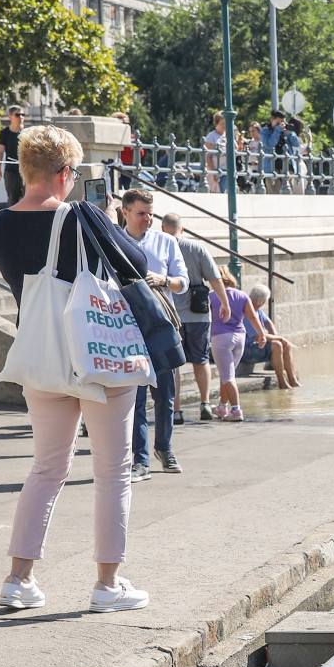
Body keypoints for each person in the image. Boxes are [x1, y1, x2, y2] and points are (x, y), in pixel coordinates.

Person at [0, 125, 152, 613]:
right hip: (97, 352)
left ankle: (19, 579)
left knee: (47, 467)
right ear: (65, 174)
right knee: (113, 470)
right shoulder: (83, 218)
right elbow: (137, 262)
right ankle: (107, 586)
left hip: (42, 355)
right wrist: (108, 220)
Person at [118, 190, 186, 477]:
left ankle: (165, 448)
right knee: (136, 397)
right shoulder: (114, 241)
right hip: (128, 327)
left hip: (161, 325)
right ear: (125, 213)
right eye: (141, 213)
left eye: (150, 214)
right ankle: (140, 459)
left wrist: (164, 280)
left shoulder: (166, 241)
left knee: (166, 394)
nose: (147, 219)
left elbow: (183, 282)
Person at [162, 213, 225, 421]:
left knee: (175, 365)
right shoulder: (197, 248)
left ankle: (176, 410)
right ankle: (205, 404)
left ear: (162, 229)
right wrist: (225, 304)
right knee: (201, 360)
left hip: (171, 315)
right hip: (198, 315)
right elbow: (215, 278)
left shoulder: (160, 245)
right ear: (183, 229)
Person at [208, 271, 267, 422]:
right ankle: (222, 406)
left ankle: (236, 409)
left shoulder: (212, 296)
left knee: (227, 376)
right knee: (228, 373)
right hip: (239, 337)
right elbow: (253, 317)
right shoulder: (242, 295)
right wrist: (262, 335)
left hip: (221, 337)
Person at [242, 284, 302, 388]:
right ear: (263, 302)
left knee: (286, 345)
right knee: (277, 345)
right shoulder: (247, 311)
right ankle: (282, 382)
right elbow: (257, 337)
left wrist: (275, 336)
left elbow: (268, 322)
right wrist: (279, 339)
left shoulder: (258, 310)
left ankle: (293, 380)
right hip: (247, 350)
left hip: (259, 346)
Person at [0, 106, 26, 205]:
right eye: (18, 115)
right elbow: (0, 151)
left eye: (23, 115)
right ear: (10, 117)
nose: (21, 117)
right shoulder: (5, 133)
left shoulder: (28, 132)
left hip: (26, 171)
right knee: (13, 200)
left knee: (28, 199)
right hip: (11, 171)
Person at [203, 112, 226, 193]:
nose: (224, 125)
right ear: (216, 124)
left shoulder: (228, 135)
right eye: (222, 123)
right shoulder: (212, 136)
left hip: (227, 169)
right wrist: (214, 173)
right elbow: (208, 156)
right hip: (217, 169)